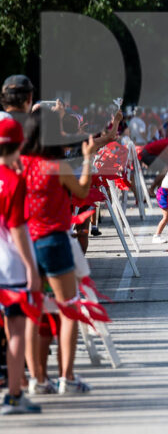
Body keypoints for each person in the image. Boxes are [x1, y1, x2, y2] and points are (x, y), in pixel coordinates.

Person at [20, 108, 100, 395]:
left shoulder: (20, 166)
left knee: (35, 313)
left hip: (26, 246)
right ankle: (67, 376)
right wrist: (89, 157)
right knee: (69, 310)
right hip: (54, 241)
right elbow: (81, 192)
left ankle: (37, 379)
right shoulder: (57, 167)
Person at [0, 117, 43, 415]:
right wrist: (31, 268)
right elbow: (17, 228)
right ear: (21, 144)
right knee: (17, 332)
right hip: (12, 265)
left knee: (7, 328)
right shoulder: (15, 182)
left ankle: (14, 389)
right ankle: (14, 394)